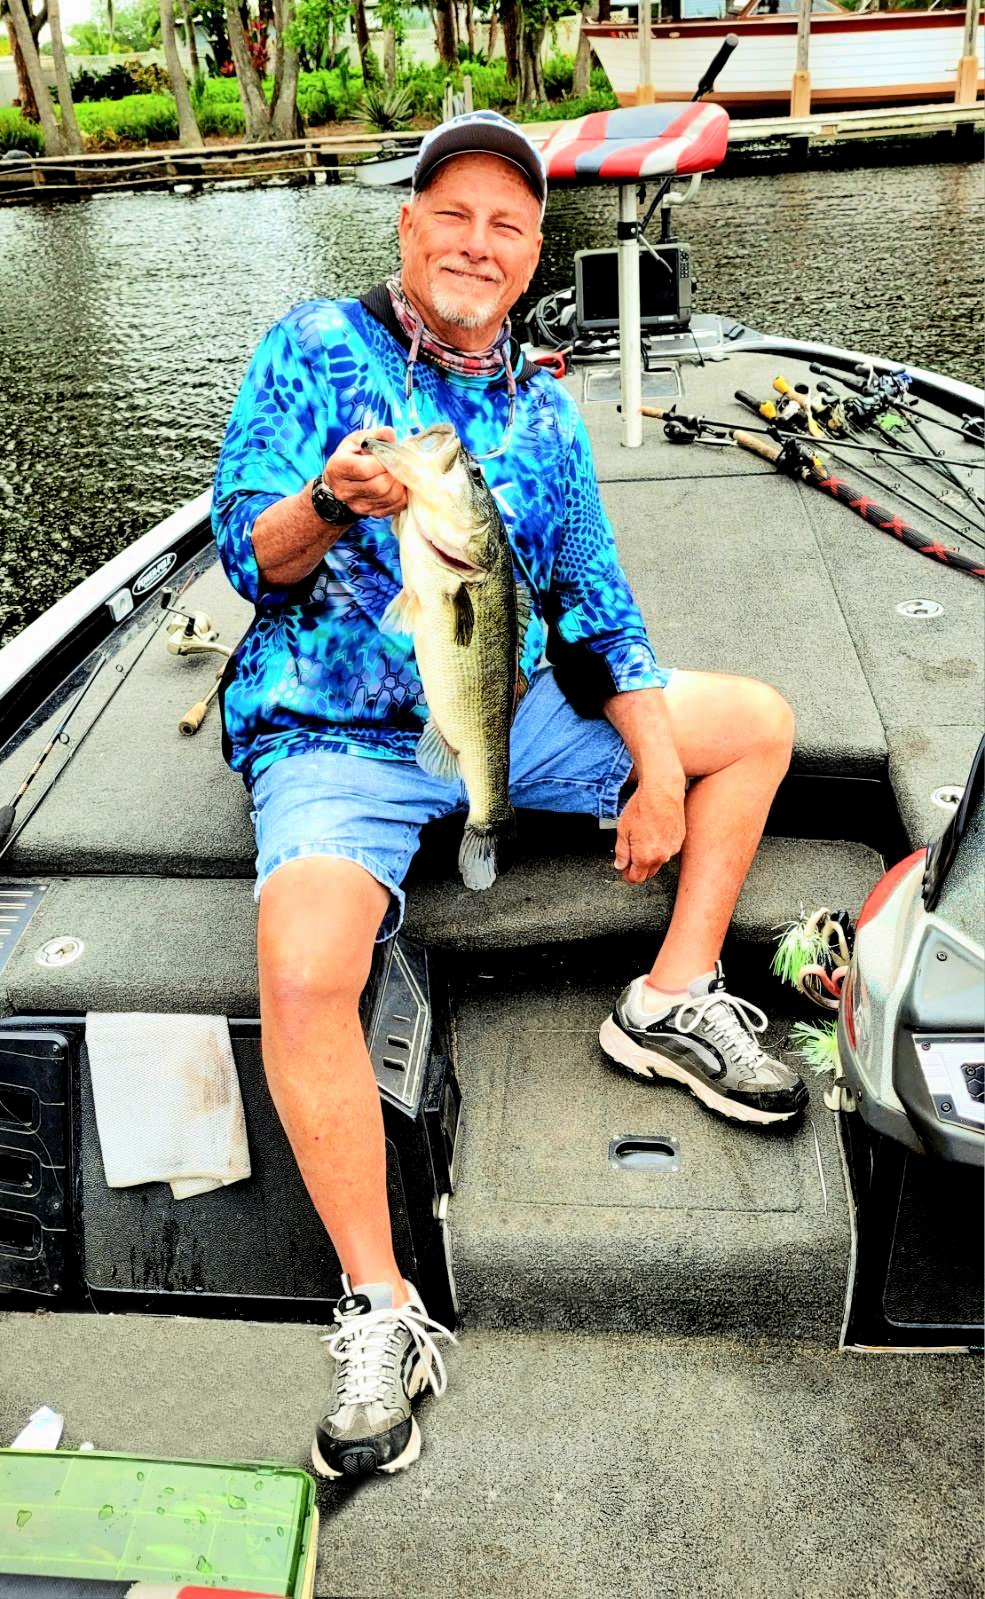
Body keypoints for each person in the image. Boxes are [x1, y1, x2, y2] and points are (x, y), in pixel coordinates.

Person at [212, 110, 808, 1483]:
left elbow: (593, 598)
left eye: (508, 224)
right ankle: (382, 1308)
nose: (478, 244)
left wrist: (656, 769)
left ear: (536, 252)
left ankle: (671, 997)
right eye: (454, 214)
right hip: (330, 726)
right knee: (303, 970)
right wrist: (328, 502)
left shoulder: (542, 408)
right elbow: (247, 557)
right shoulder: (313, 347)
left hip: (499, 700)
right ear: (408, 223)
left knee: (752, 730)